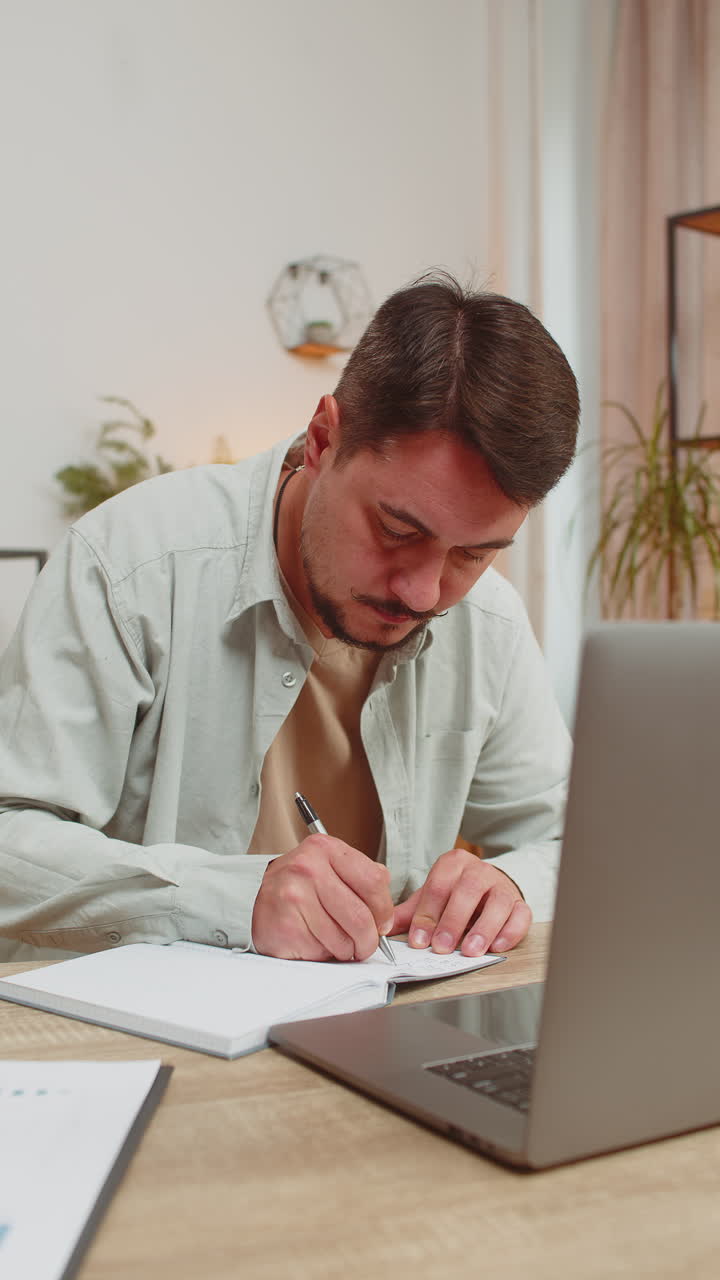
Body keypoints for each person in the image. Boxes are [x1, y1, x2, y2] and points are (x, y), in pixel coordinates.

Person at [0, 273, 579, 965]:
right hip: (142, 1049)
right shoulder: (129, 566)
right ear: (321, 439)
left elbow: (573, 842)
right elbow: (11, 840)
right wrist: (231, 899)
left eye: (475, 553)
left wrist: (509, 883)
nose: (424, 592)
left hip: (377, 1037)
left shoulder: (489, 621)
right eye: (397, 529)